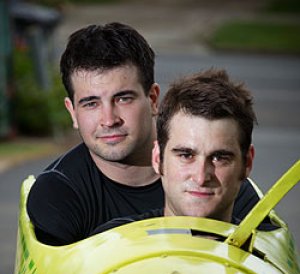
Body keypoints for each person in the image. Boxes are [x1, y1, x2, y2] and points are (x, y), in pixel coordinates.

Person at [27, 23, 261, 246]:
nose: (109, 120)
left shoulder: (221, 186)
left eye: (123, 99)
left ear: (152, 99)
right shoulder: (58, 194)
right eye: (91, 103)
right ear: (73, 112)